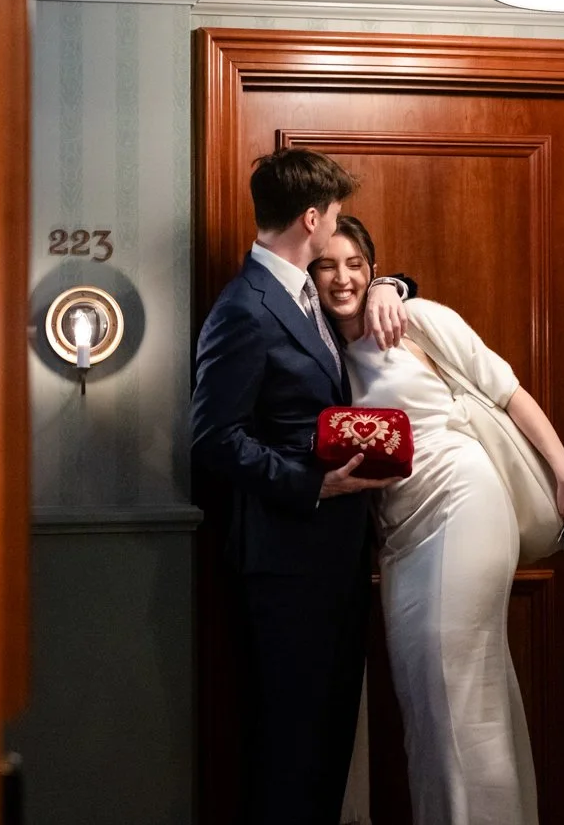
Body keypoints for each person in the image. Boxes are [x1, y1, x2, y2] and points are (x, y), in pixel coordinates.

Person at [310, 215, 564, 825]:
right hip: (400, 536)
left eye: (356, 265)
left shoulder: (418, 318)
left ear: (374, 269)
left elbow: (508, 391)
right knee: (431, 698)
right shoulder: (318, 348)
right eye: (328, 265)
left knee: (452, 685)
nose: (343, 278)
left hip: (465, 500)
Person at [190, 148, 415, 825]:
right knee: (291, 749)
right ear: (313, 217)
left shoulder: (300, 292)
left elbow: (368, 286)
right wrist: (315, 486)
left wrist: (391, 284)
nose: (338, 227)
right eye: (336, 216)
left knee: (324, 744)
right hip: (287, 564)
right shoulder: (246, 308)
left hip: (333, 561)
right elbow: (213, 438)